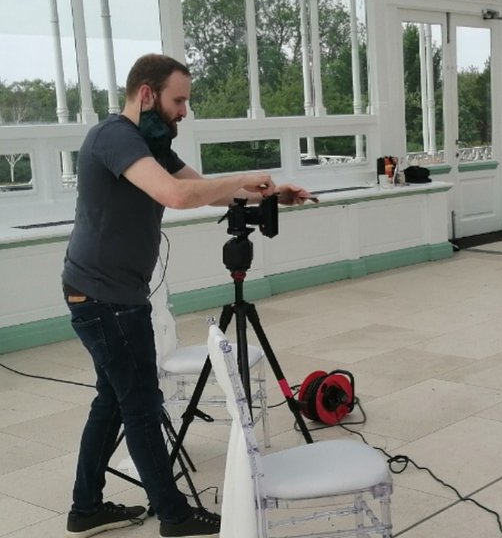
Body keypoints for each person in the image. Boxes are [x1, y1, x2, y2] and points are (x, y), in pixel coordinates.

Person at [63, 54, 316, 538]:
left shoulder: (150, 144)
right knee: (139, 402)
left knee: (113, 400)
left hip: (109, 293)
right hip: (103, 297)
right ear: (145, 94)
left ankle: (86, 508)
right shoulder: (115, 136)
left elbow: (201, 189)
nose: (184, 110)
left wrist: (270, 194)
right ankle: (174, 517)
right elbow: (176, 197)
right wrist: (245, 181)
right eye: (178, 100)